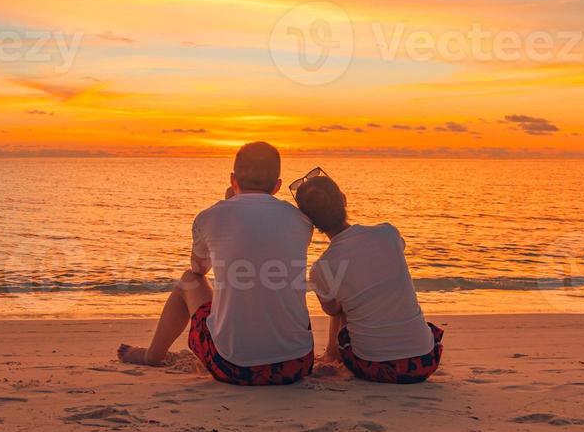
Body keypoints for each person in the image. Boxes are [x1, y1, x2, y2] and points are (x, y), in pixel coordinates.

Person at [117, 142, 315, 386]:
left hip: (232, 367)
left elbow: (200, 269)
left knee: (188, 280)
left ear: (233, 179)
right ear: (277, 186)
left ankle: (152, 355)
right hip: (297, 365)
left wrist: (227, 205)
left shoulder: (210, 216)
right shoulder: (301, 220)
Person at [293, 172, 444, 384]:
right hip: (425, 361)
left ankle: (332, 352)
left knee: (341, 298)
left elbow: (333, 311)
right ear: (343, 199)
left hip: (373, 367)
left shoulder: (322, 267)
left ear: (310, 222)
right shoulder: (388, 234)